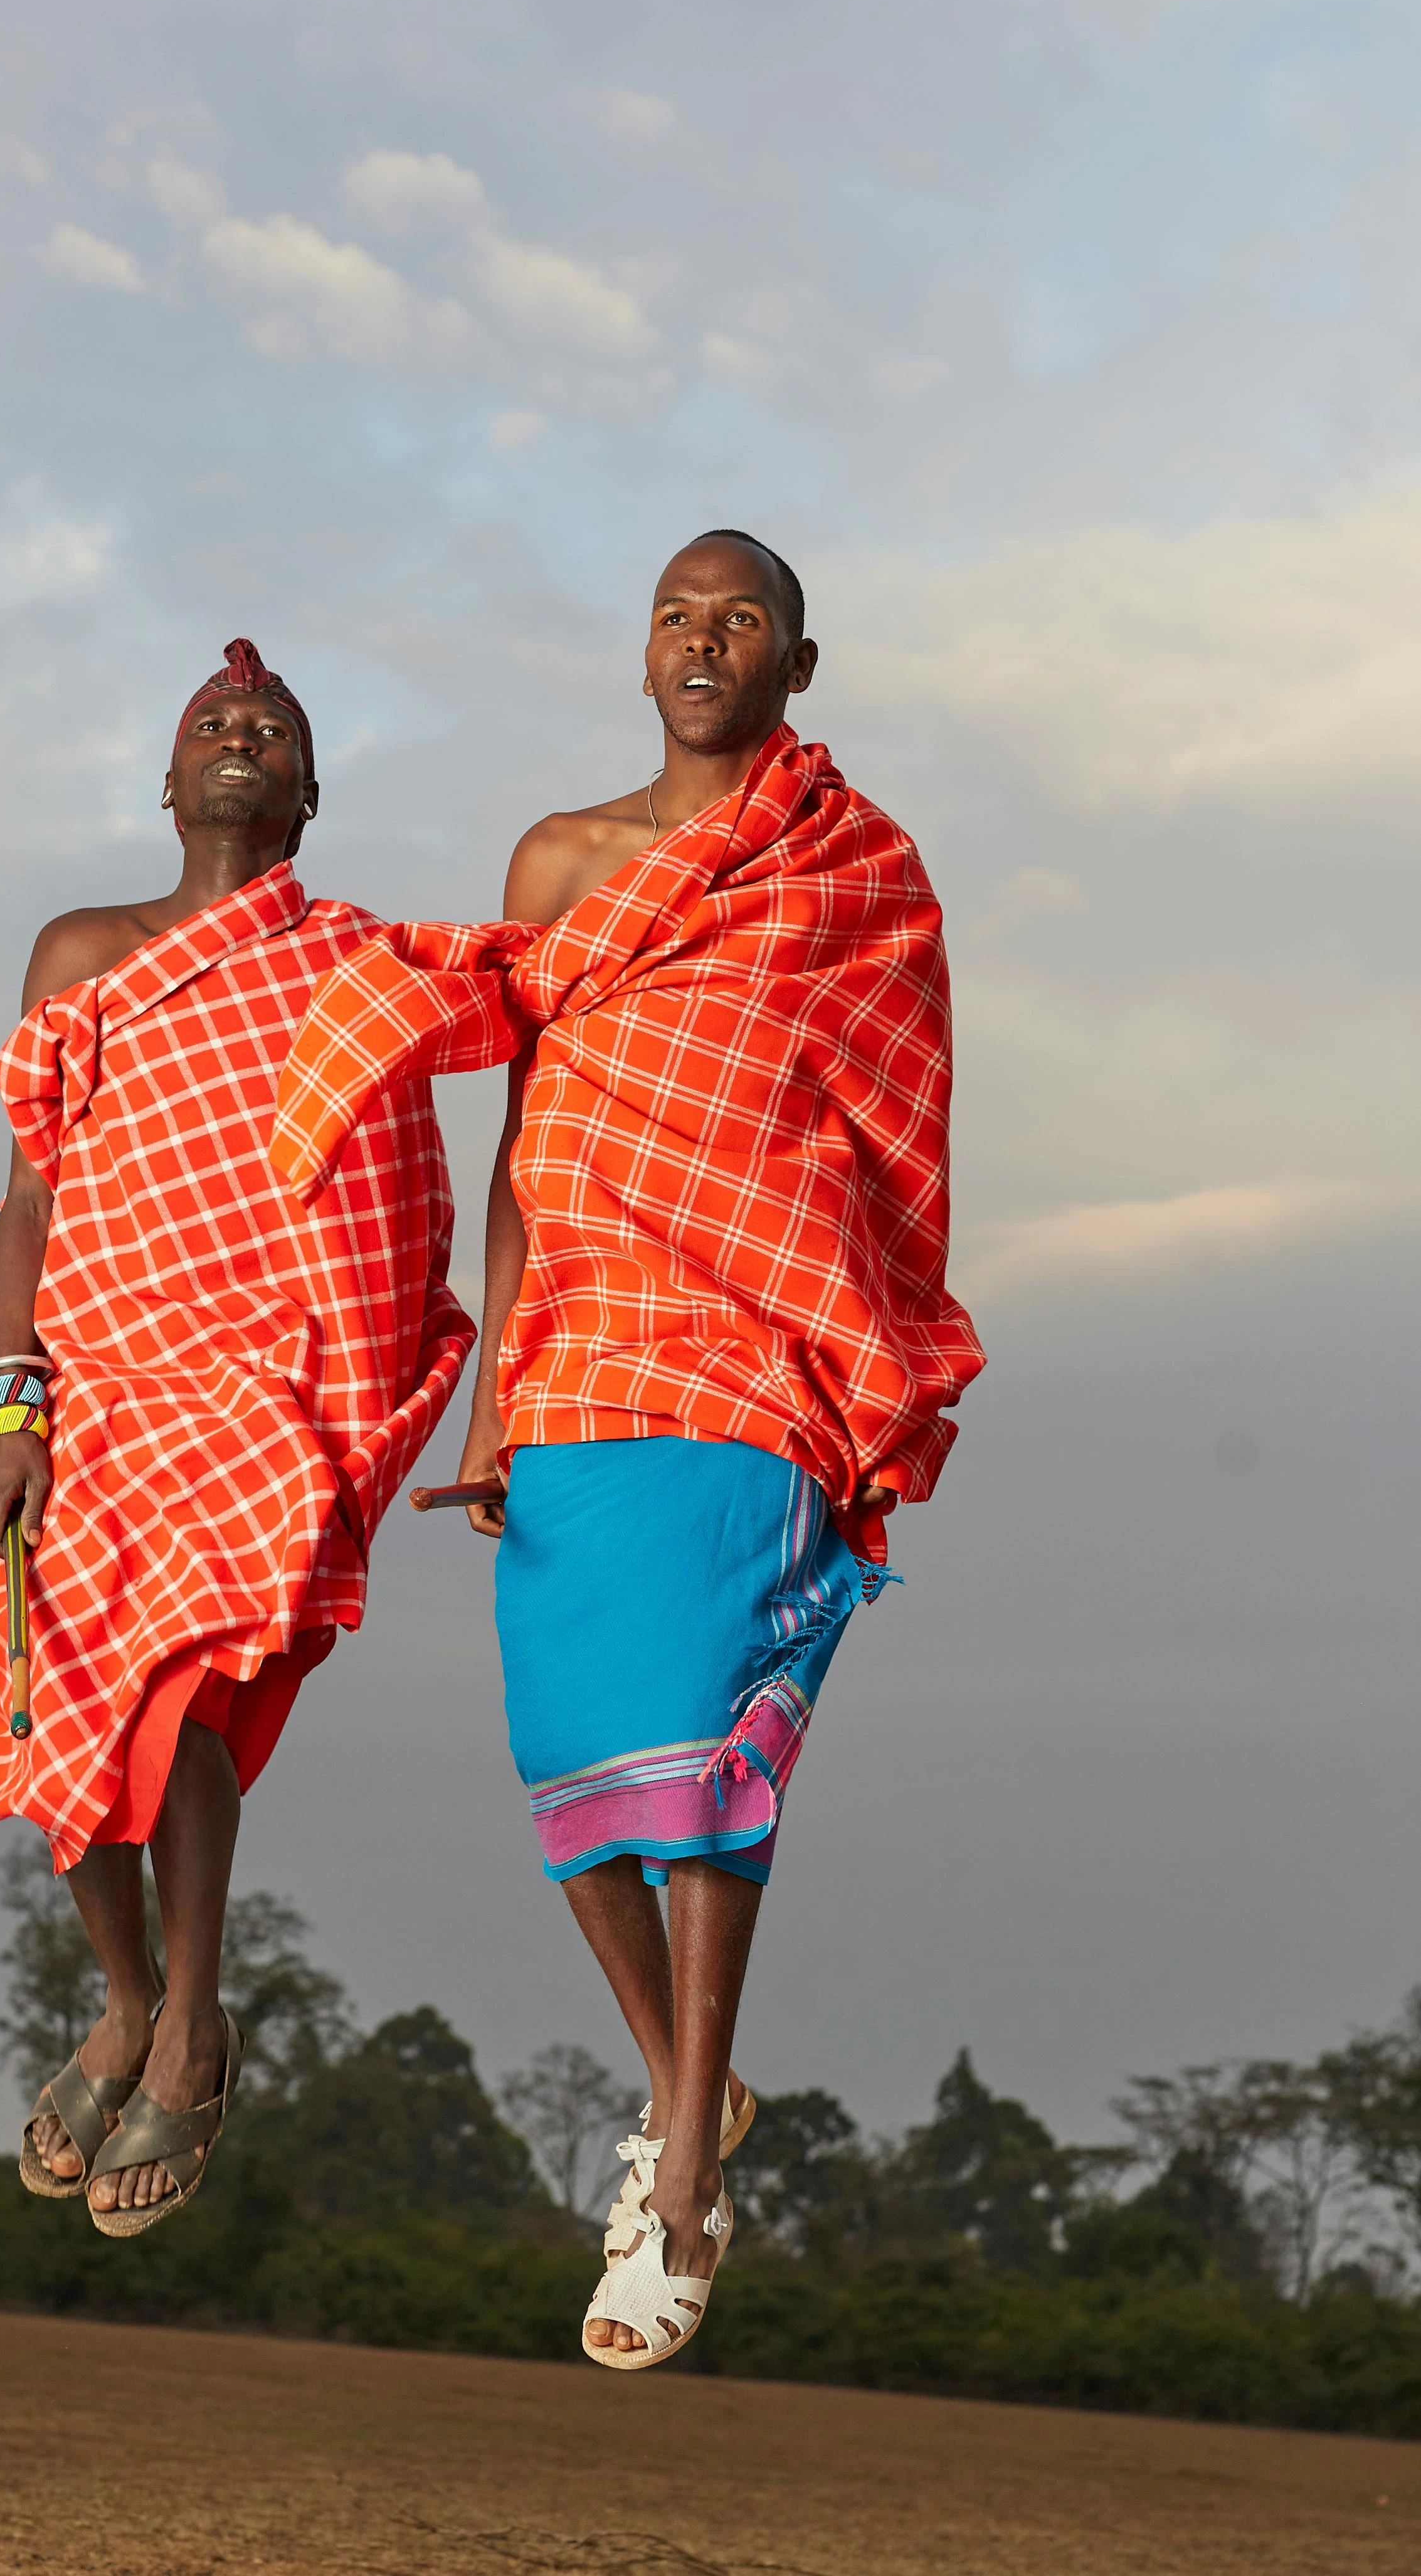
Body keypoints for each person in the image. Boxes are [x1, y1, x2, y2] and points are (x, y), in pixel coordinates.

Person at [272, 534, 983, 2367]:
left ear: (798, 666)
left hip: (755, 1345)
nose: (703, 641)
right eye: (677, 613)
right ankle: (700, 2086)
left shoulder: (855, 874)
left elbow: (895, 1132)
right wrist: (498, 1380)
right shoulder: (563, 861)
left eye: (740, 619)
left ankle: (677, 2176)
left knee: (698, 1746)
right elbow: (525, 1147)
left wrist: (861, 1351)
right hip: (584, 1347)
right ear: (641, 648)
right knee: (570, 1758)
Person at [0, 639, 473, 2235]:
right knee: (46, 1695)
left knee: (174, 1688)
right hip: (81, 1377)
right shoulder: (83, 947)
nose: (241, 736)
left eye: (272, 729)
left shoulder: (366, 965)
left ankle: (190, 2024)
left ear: (309, 790)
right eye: (213, 724)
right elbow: (32, 1195)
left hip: (259, 1385)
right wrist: (13, 1389)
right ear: (168, 784)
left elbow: (514, 1022)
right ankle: (124, 1990)